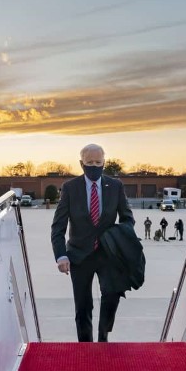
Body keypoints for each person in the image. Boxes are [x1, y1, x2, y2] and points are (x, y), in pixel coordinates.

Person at [51, 144, 135, 342]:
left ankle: (103, 338)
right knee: (83, 306)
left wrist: (120, 238)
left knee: (111, 297)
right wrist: (61, 255)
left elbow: (127, 218)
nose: (94, 166)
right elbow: (58, 226)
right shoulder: (70, 188)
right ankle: (85, 346)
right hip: (79, 256)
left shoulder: (115, 186)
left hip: (108, 254)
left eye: (98, 162)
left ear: (104, 162)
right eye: (90, 163)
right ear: (82, 164)